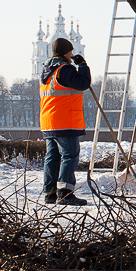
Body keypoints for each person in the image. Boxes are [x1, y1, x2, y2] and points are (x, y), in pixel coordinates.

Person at [39, 37, 92, 206]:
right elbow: (83, 83)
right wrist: (82, 65)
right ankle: (65, 193)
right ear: (64, 52)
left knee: (52, 157)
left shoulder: (47, 71)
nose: (72, 54)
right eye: (70, 51)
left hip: (49, 121)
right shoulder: (64, 69)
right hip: (65, 120)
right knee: (70, 155)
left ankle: (50, 193)